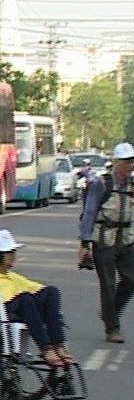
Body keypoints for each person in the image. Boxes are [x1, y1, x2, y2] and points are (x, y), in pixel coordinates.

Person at [0, 229, 73, 366]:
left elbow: (39, 289)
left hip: (23, 308)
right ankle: (46, 348)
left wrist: (48, 299)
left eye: (13, 252)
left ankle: (58, 344)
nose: (13, 256)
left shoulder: (13, 276)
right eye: (9, 253)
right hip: (3, 312)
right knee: (25, 298)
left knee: (52, 291)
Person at [78, 142, 134, 343]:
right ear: (116, 162)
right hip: (104, 240)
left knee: (130, 280)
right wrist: (85, 243)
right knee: (108, 284)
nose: (131, 165)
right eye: (127, 161)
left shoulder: (132, 184)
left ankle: (110, 311)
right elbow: (90, 212)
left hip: (126, 240)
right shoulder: (102, 183)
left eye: (132, 161)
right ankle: (112, 328)